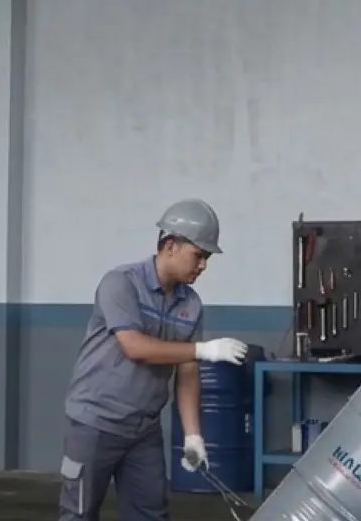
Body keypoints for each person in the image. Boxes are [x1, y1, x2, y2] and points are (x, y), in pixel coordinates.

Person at [58, 199, 251, 521]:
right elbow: (135, 347)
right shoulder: (120, 283)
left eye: (206, 258)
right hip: (95, 423)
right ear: (171, 245)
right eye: (198, 255)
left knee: (151, 515)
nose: (203, 265)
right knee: (78, 514)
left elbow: (187, 372)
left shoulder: (191, 304)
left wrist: (193, 435)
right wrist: (203, 350)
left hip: (142, 430)